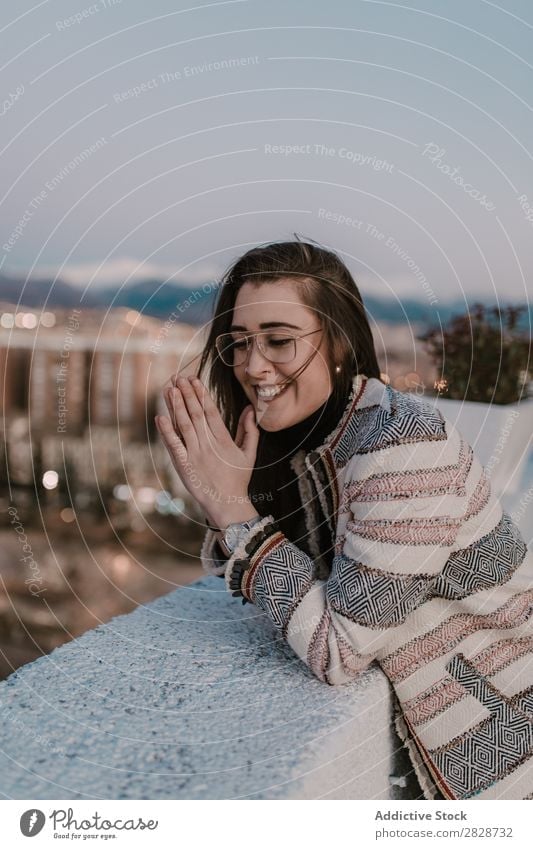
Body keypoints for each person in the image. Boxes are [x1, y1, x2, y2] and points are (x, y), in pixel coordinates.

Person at [155, 239, 533, 801]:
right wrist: (235, 497)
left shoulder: (400, 446)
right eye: (238, 344)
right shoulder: (316, 442)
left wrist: (233, 509)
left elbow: (337, 650)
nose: (254, 365)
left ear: (337, 342)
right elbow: (252, 576)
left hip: (499, 754)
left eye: (279, 340)